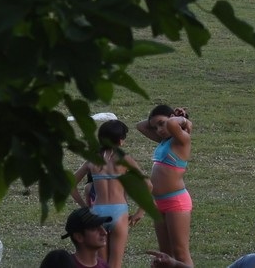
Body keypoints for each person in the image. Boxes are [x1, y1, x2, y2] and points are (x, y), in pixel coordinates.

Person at [71, 118, 143, 268]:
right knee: (115, 264)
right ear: (121, 141)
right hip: (119, 211)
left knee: (100, 264)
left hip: (97, 212)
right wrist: (139, 212)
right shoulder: (125, 159)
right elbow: (148, 185)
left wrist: (85, 207)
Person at [136, 105, 194, 267]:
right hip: (158, 203)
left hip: (176, 202)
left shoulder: (182, 139)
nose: (160, 129)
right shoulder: (163, 141)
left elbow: (172, 125)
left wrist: (183, 119)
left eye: (162, 123)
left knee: (180, 252)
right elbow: (140, 126)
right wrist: (167, 120)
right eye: (156, 127)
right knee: (165, 254)